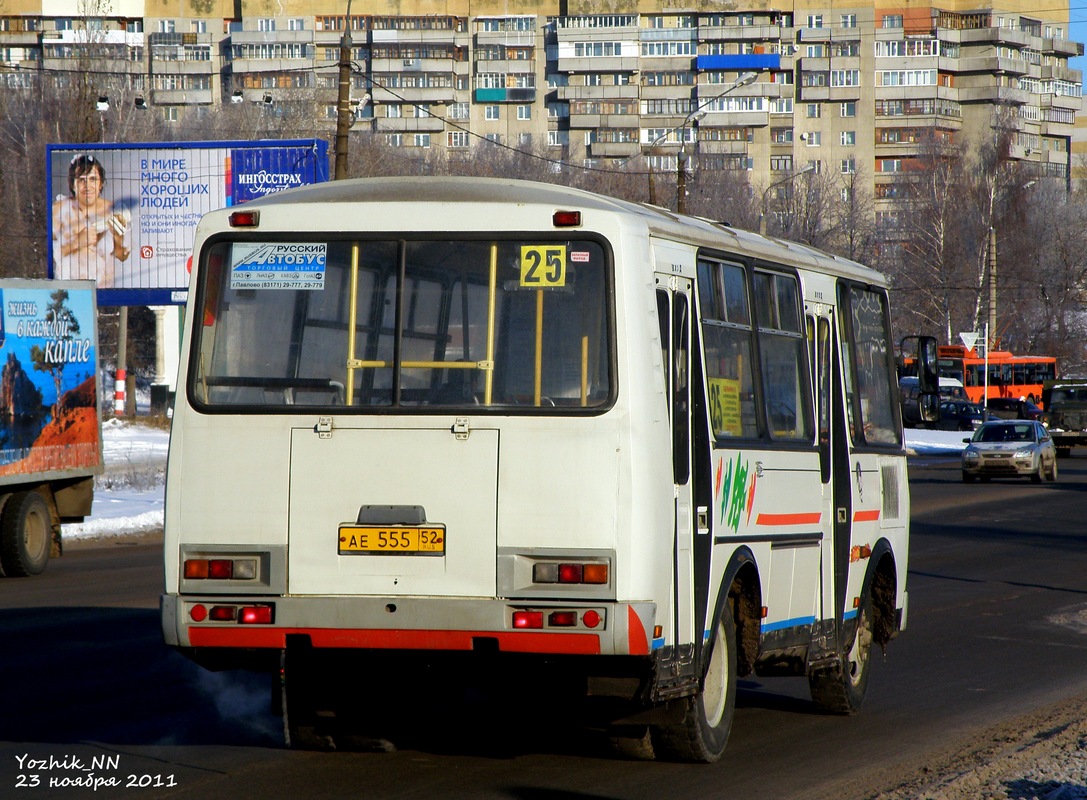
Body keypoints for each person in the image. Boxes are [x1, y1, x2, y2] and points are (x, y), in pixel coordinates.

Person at [52, 154, 131, 286]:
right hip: (69, 291)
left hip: (103, 291)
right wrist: (77, 242)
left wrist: (118, 238)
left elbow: (122, 256)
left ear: (101, 183)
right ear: (73, 184)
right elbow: (51, 254)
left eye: (93, 179)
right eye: (81, 180)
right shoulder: (59, 209)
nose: (87, 186)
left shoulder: (115, 210)